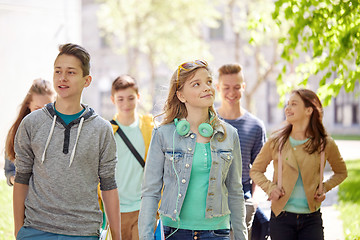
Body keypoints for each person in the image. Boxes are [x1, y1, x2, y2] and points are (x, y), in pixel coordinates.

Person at [13, 43, 121, 239]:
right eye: (58, 71)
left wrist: (117, 236)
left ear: (86, 80)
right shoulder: (32, 123)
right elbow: (21, 178)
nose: (62, 78)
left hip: (83, 232)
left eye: (71, 72)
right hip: (35, 231)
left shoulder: (102, 129)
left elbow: (108, 185)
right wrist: (19, 231)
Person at [139, 60, 247, 240]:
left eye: (209, 82)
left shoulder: (230, 134)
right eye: (196, 84)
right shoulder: (163, 134)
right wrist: (146, 237)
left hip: (217, 233)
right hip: (174, 232)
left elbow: (235, 191)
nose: (207, 88)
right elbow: (150, 192)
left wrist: (242, 237)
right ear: (181, 95)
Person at [250, 88, 348, 240]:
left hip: (311, 219)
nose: (287, 108)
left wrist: (325, 187)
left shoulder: (324, 143)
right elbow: (256, 170)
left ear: (309, 110)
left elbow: (342, 172)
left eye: (293, 104)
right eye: (287, 104)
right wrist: (270, 188)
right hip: (281, 218)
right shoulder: (277, 141)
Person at [216, 63, 269, 239]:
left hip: (243, 196)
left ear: (243, 87)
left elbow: (259, 168)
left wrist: (254, 200)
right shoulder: (207, 123)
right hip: (212, 194)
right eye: (226, 87)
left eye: (237, 87)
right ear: (218, 88)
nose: (232, 93)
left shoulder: (255, 126)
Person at [110, 74, 154, 240]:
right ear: (113, 100)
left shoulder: (150, 128)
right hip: (115, 211)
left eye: (130, 98)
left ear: (138, 97)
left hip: (142, 209)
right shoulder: (107, 131)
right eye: (120, 99)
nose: (126, 104)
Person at [4, 78, 55, 187]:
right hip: (26, 198)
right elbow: (9, 171)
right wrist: (19, 181)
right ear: (29, 105)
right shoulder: (16, 132)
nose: (43, 114)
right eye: (37, 108)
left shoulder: (61, 132)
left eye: (48, 108)